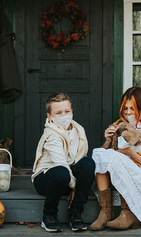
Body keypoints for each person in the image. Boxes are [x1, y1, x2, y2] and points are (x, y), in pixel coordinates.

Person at [90, 87, 141, 230]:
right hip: (120, 172)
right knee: (99, 152)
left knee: (114, 156)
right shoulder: (120, 125)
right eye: (125, 108)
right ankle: (105, 212)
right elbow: (103, 159)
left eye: (132, 109)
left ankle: (128, 213)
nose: (128, 113)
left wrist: (130, 153)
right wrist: (108, 141)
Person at [32, 93, 95, 233]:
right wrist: (74, 187)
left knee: (88, 163)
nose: (64, 116)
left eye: (67, 111)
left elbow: (79, 158)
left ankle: (76, 212)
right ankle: (49, 215)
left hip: (67, 178)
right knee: (61, 172)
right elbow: (62, 164)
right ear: (50, 116)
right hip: (47, 178)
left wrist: (77, 185)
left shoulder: (78, 130)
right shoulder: (51, 135)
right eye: (58, 113)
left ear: (72, 112)